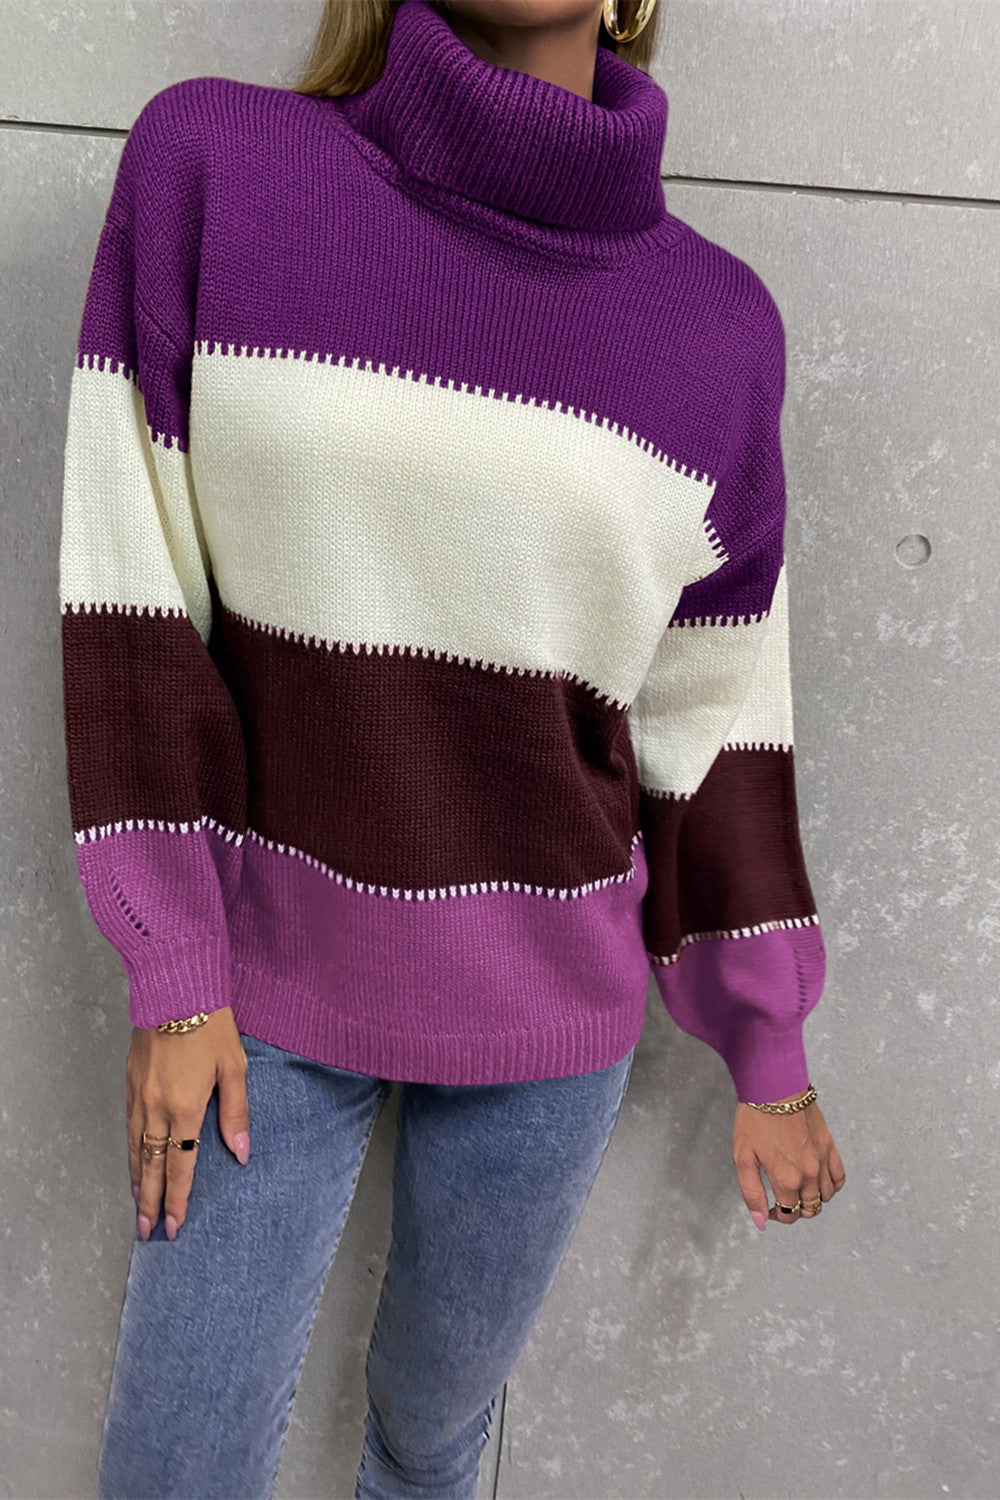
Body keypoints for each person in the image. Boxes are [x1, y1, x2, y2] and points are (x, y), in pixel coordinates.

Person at [57, 0, 847, 1495]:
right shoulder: (216, 166)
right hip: (257, 985)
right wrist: (172, 962)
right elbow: (133, 590)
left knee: (428, 1448)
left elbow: (718, 713)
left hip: (545, 1024)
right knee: (175, 1468)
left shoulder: (716, 328)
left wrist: (773, 1051)